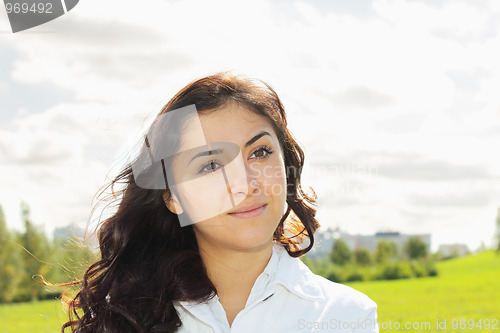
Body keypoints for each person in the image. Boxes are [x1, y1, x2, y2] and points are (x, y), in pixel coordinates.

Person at [62, 72, 378, 333]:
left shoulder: (348, 317)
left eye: (260, 152)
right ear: (172, 197)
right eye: (211, 166)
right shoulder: (123, 318)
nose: (245, 184)